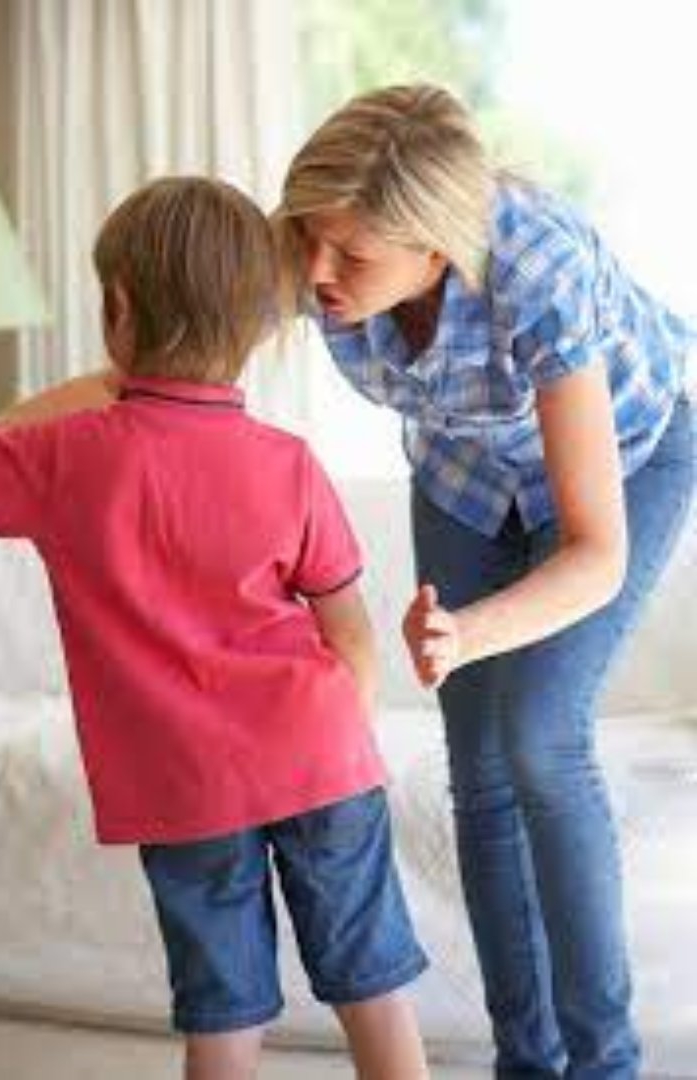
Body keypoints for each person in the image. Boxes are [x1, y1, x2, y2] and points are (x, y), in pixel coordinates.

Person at [269, 85, 696, 1079]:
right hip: (465, 476)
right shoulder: (318, 244)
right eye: (309, 239)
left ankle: (604, 1066)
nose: (316, 272)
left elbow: (592, 553)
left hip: (627, 458)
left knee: (539, 737)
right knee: (478, 771)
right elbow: (178, 345)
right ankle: (524, 1062)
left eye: (351, 256)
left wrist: (469, 633)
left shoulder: (537, 271)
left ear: (434, 249)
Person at [0, 176, 430, 1080]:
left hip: (183, 785)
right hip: (320, 753)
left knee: (224, 1011)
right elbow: (349, 632)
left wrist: (110, 383)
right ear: (259, 328)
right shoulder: (288, 463)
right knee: (373, 985)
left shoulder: (63, 461)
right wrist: (344, 744)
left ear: (117, 307)